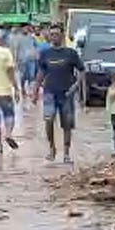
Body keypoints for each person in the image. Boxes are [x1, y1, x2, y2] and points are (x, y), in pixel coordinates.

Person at [34, 24, 84, 163]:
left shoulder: (71, 53)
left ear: (62, 35)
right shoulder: (45, 54)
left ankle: (66, 153)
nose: (54, 36)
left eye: (56, 34)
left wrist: (76, 86)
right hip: (49, 92)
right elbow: (41, 72)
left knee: (67, 124)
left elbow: (82, 70)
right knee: (48, 120)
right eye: (52, 34)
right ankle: (52, 148)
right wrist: (35, 91)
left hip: (67, 93)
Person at [10, 25, 39, 100]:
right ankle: (23, 89)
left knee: (31, 76)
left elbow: (36, 47)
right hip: (22, 60)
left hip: (31, 59)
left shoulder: (32, 38)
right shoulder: (18, 38)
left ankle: (30, 91)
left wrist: (37, 56)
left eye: (27, 28)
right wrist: (15, 60)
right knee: (23, 76)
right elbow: (16, 49)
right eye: (25, 28)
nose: (26, 29)